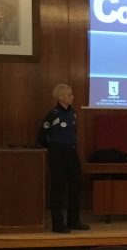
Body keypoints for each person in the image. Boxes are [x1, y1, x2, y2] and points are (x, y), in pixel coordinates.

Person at [37, 83, 89, 233]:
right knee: (58, 189)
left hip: (72, 152)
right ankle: (58, 225)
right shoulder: (53, 114)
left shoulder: (72, 112)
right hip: (58, 154)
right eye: (69, 95)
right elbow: (42, 136)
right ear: (61, 97)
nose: (73, 97)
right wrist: (54, 147)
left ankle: (73, 221)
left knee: (75, 187)